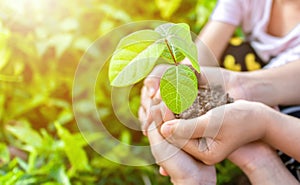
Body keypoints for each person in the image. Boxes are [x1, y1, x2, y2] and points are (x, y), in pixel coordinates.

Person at [139, 0, 300, 183]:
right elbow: (204, 52)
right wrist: (180, 77)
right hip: (267, 85)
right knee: (235, 52)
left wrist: (261, 118)